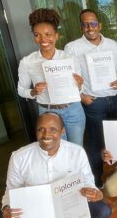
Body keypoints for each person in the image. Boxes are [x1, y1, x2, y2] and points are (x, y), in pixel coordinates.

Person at [1, 112, 111, 218]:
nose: (46, 134)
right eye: (41, 129)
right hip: (37, 211)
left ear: (63, 131)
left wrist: (95, 192)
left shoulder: (76, 152)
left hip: (68, 206)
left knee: (103, 211)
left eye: (53, 129)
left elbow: (88, 180)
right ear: (36, 131)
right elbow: (11, 190)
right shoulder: (19, 157)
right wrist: (6, 207)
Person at [64, 9, 117, 188]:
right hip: (93, 102)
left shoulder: (113, 44)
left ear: (100, 25)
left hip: (115, 99)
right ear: (81, 26)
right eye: (85, 24)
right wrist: (81, 96)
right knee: (95, 141)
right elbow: (68, 77)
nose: (90, 28)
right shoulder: (72, 48)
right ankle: (96, 179)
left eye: (93, 23)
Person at [17, 8, 86, 146]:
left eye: (48, 34)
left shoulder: (70, 58)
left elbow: (80, 89)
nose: (43, 39)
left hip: (73, 110)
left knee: (76, 149)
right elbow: (21, 90)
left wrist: (80, 85)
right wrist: (33, 92)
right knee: (56, 151)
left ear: (56, 36)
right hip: (48, 111)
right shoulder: (27, 61)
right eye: (37, 35)